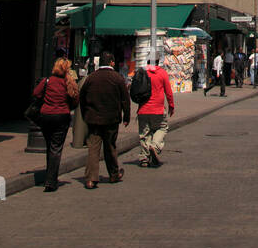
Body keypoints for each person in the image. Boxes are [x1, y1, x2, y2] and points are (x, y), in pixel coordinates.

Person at [78, 50, 130, 188]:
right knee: (110, 146)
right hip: (111, 119)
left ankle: (91, 178)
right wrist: (126, 116)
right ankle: (114, 174)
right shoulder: (117, 78)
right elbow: (125, 100)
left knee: (93, 148)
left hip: (93, 119)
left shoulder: (91, 78)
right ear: (111, 62)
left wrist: (85, 114)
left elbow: (82, 98)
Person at [31, 55, 79, 192]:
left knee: (50, 145)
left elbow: (36, 93)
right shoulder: (68, 82)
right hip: (61, 116)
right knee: (56, 148)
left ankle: (49, 175)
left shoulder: (47, 81)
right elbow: (75, 99)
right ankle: (51, 181)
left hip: (46, 116)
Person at [136, 52, 175, 167]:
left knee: (144, 133)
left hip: (143, 109)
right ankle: (155, 145)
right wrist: (171, 106)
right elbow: (168, 92)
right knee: (162, 128)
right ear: (158, 61)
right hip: (158, 109)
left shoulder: (141, 72)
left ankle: (144, 158)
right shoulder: (162, 73)